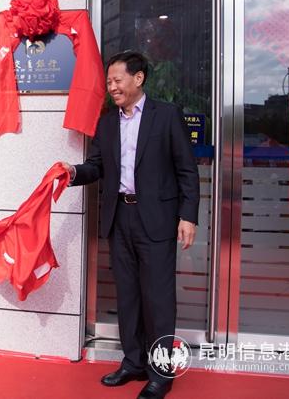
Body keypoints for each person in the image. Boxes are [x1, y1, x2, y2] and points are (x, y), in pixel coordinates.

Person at [61, 51, 199, 399]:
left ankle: (161, 372)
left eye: (117, 80)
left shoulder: (166, 115)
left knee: (158, 298)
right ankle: (133, 361)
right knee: (128, 296)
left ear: (138, 78)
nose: (112, 87)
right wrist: (72, 172)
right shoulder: (108, 122)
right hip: (120, 217)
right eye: (109, 81)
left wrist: (188, 216)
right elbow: (97, 165)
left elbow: (187, 169)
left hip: (157, 219)